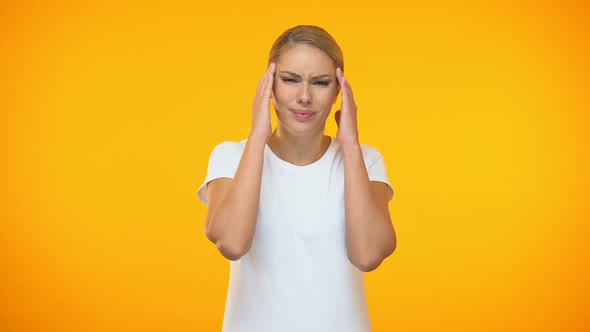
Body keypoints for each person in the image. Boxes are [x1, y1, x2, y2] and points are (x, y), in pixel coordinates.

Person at [197, 25, 396, 332]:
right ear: (269, 84)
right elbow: (232, 243)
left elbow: (368, 255)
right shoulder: (231, 157)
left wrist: (352, 145)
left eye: (320, 82)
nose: (304, 96)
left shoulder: (366, 160)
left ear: (338, 91)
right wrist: (257, 135)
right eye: (290, 80)